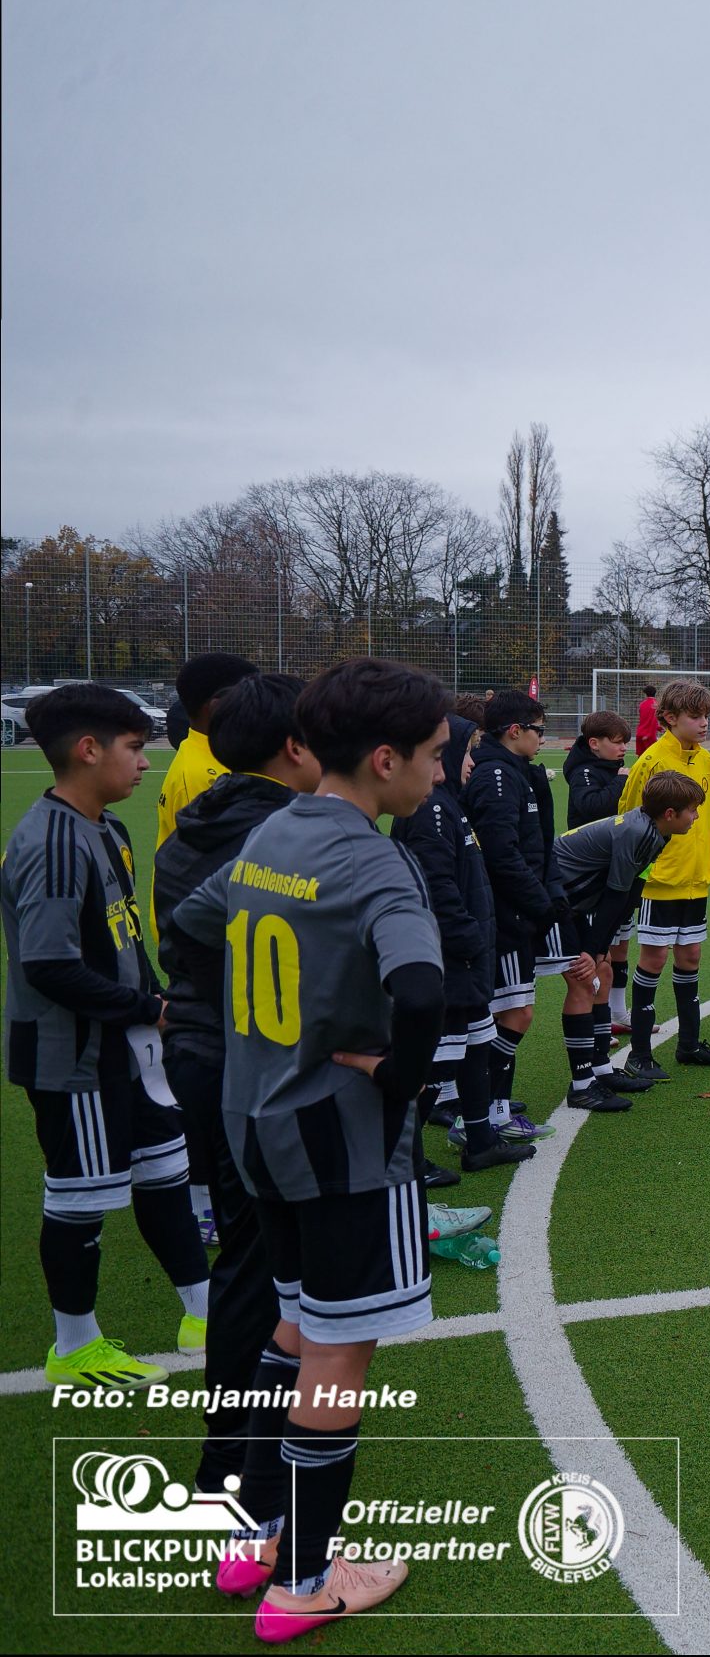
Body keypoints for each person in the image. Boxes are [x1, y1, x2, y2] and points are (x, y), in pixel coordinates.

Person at [166, 657, 452, 1637]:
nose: (439, 773)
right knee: (338, 1351)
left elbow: (194, 922)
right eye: (433, 755)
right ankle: (304, 1582)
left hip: (257, 1122)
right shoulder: (377, 860)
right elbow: (420, 990)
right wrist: (397, 1076)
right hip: (338, 1138)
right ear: (384, 758)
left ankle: (256, 1535)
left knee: (290, 1331)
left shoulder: (271, 829)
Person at [4, 685, 209, 1389]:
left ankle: (203, 1311)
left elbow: (120, 937)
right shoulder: (55, 841)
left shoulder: (105, 829)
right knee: (82, 1199)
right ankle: (74, 1345)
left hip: (124, 1046)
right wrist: (141, 1008)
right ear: (88, 750)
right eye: (133, 748)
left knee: (165, 1174)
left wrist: (153, 998)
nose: (144, 763)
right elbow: (49, 964)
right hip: (75, 1058)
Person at [152, 675, 320, 1477]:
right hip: (250, 1062)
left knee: (254, 1258)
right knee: (261, 1263)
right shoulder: (284, 835)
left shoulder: (191, 827)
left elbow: (179, 942)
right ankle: (236, 1464)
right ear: (295, 747)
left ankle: (249, 1446)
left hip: (201, 1049)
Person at [394, 711, 539, 1164]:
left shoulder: (448, 803)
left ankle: (480, 1141)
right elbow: (438, 888)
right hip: (452, 957)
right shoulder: (432, 808)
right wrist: (469, 940)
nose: (471, 761)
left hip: (468, 954)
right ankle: (405, 1162)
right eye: (464, 750)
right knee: (437, 1063)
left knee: (476, 1047)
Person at [556, 772, 706, 1098]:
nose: (696, 817)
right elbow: (614, 895)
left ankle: (599, 1069)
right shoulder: (636, 832)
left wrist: (601, 947)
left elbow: (632, 890)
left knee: (603, 972)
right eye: (692, 811)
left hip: (580, 904)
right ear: (670, 814)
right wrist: (595, 948)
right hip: (557, 901)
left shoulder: (656, 833)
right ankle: (582, 1085)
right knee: (585, 979)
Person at [466, 690, 569, 1125]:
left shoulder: (517, 771)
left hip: (518, 912)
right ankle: (483, 1110)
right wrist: (541, 905)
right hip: (507, 916)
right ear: (514, 731)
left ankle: (490, 1106)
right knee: (513, 1013)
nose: (542, 738)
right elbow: (501, 854)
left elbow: (536, 846)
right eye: (538, 730)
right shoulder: (497, 776)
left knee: (513, 1010)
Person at [620, 678, 710, 1077]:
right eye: (695, 716)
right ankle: (639, 1053)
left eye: (707, 716)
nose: (704, 724)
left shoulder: (706, 759)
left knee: (690, 956)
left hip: (696, 879)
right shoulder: (651, 761)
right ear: (669, 718)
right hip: (659, 882)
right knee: (654, 959)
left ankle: (689, 1044)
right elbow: (629, 817)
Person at [563, 710, 633, 1031]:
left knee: (619, 944)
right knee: (596, 953)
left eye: (624, 743)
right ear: (594, 743)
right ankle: (592, 1019)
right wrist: (620, 782)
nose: (623, 749)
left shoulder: (609, 768)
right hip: (591, 877)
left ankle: (617, 1011)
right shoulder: (585, 772)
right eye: (616, 743)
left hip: (617, 870)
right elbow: (592, 806)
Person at [156, 652, 260, 848]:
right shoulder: (202, 777)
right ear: (216, 707)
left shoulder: (217, 754)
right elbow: (202, 864)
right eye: (248, 698)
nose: (256, 707)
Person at [634, 683, 660, 759]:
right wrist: (650, 734)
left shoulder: (642, 704)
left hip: (639, 733)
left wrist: (658, 728)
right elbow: (653, 720)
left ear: (645, 694)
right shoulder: (656, 705)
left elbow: (644, 719)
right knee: (652, 757)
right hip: (649, 735)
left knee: (640, 757)